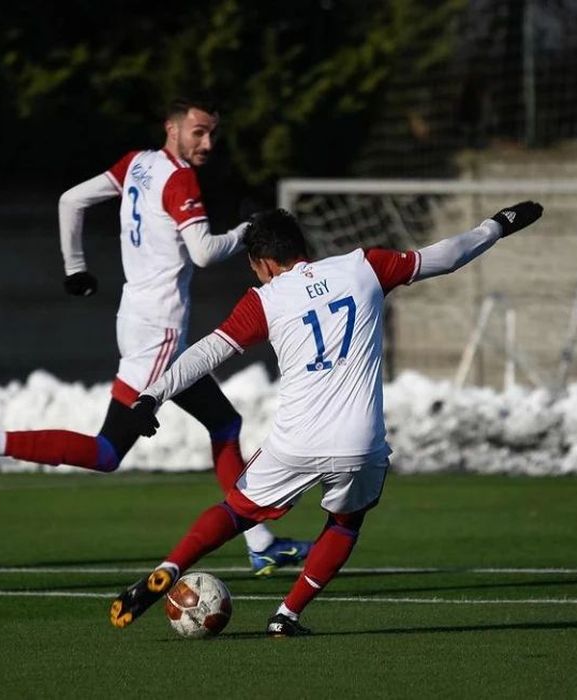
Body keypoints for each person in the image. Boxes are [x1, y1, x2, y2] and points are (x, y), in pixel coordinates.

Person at [108, 201, 544, 636]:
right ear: (302, 247)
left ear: (262, 263)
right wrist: (496, 226)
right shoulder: (364, 267)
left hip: (295, 442)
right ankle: (287, 615)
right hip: (360, 441)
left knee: (236, 512)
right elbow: (446, 256)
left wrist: (152, 397)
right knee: (344, 523)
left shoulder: (266, 299)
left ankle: (171, 566)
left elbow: (207, 351)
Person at [0, 95, 310, 576]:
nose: (207, 142)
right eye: (198, 132)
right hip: (161, 336)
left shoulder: (137, 164)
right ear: (172, 129)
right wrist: (246, 230)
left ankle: (259, 542)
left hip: (137, 318)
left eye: (213, 132)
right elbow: (205, 253)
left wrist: (75, 267)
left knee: (225, 424)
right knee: (108, 451)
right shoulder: (178, 177)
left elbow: (72, 200)